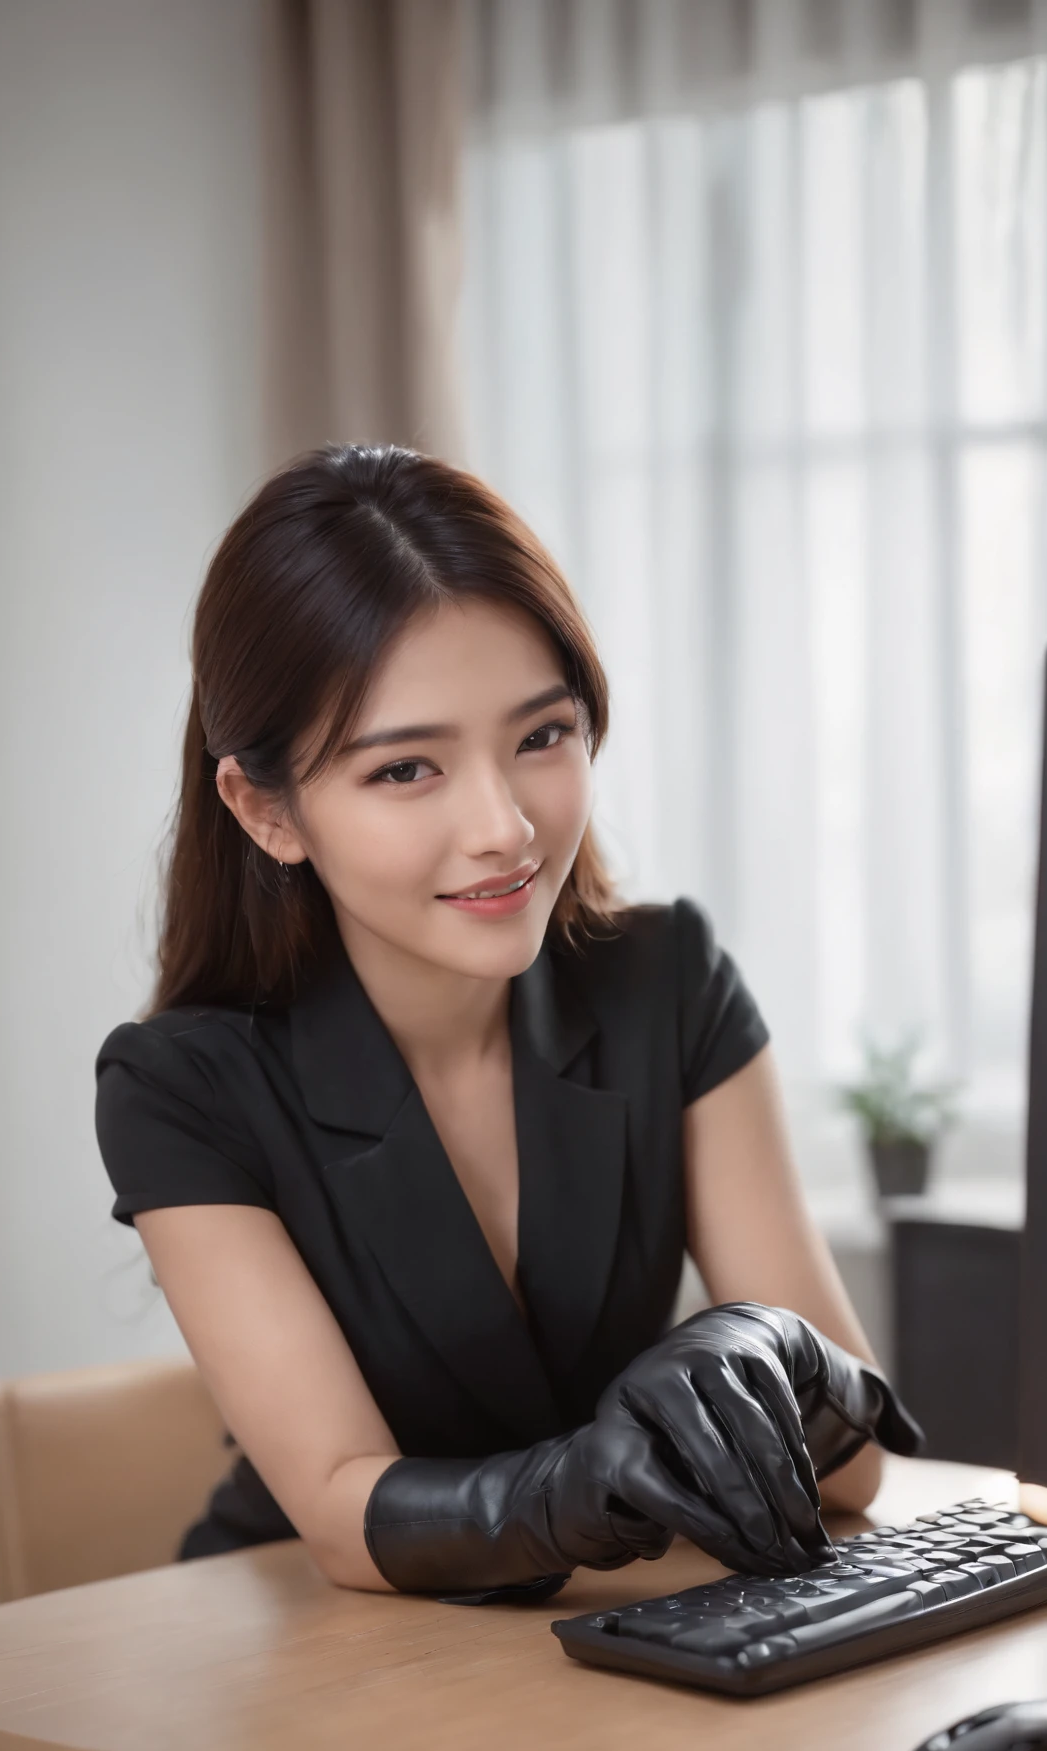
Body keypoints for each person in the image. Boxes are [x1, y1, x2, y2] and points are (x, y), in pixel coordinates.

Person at [95, 444, 920, 1604]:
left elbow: (859, 1471)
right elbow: (340, 1502)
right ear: (265, 808)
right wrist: (588, 1480)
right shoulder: (181, 1086)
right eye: (405, 771)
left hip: (592, 1642)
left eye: (541, 737)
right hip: (313, 1648)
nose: (504, 828)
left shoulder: (667, 982)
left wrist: (780, 1355)